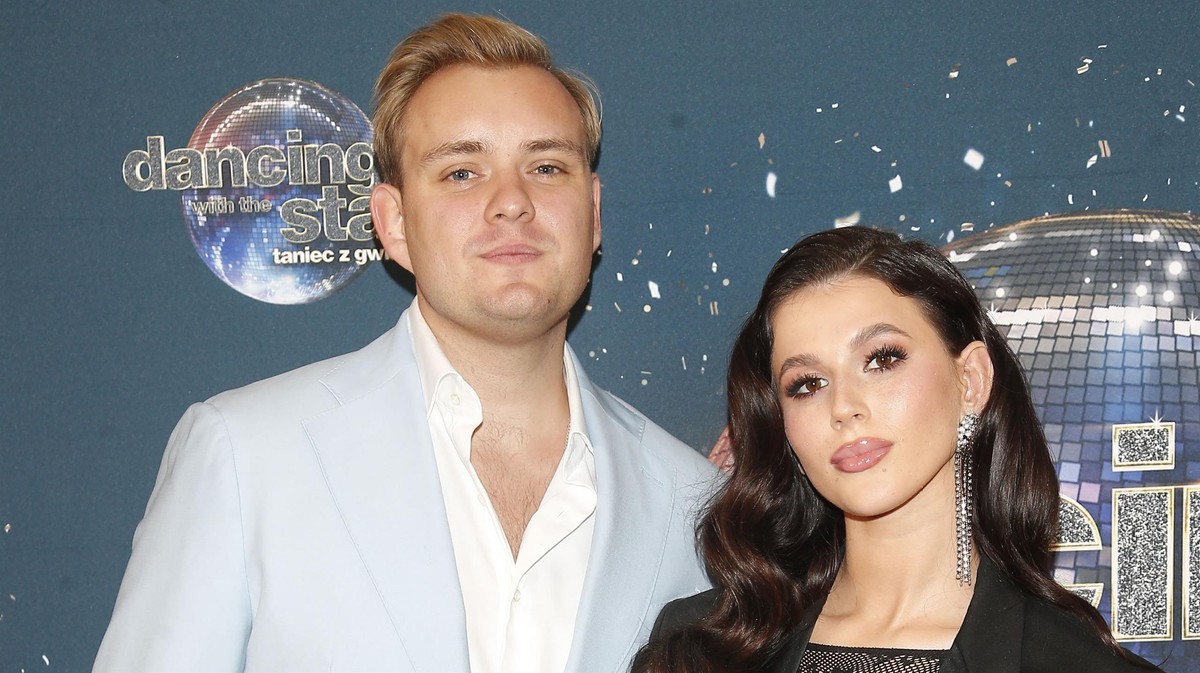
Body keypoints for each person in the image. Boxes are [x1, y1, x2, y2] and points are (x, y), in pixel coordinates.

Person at [94, 14, 715, 673]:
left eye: (545, 165)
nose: (511, 201)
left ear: (592, 211)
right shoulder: (245, 455)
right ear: (392, 223)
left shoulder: (694, 503)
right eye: (461, 172)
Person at [633, 227, 1160, 672]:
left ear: (971, 381)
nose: (844, 406)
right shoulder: (698, 652)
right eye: (807, 384)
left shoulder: (1071, 662)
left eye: (882, 359)